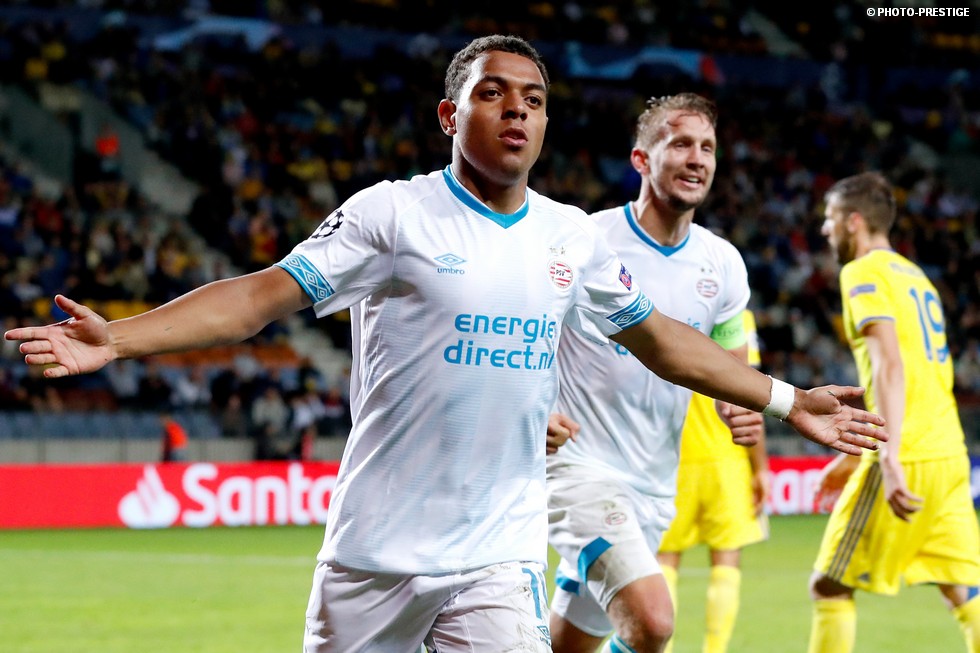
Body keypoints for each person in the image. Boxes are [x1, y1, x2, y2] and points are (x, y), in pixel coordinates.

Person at [5, 36, 885, 652]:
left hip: (497, 556)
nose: (516, 110)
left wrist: (786, 398)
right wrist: (119, 339)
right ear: (448, 114)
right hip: (373, 558)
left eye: (533, 99)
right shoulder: (393, 215)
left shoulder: (570, 237)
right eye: (493, 93)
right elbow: (258, 298)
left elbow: (663, 342)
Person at [546, 93, 769, 653]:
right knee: (652, 622)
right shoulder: (588, 241)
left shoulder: (722, 263)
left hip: (654, 484)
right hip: (577, 468)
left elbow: (731, 366)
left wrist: (740, 407)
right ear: (642, 159)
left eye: (708, 147)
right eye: (681, 144)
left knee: (571, 645)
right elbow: (528, 329)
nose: (697, 158)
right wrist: (533, 407)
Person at [807, 171, 980, 653]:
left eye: (830, 218)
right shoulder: (915, 276)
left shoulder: (862, 272)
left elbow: (889, 365)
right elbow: (915, 372)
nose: (824, 229)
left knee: (829, 586)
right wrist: (850, 456)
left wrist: (887, 455)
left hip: (908, 450)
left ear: (854, 221)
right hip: (949, 454)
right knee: (962, 589)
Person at [657, 310, 770, 653]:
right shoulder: (737, 314)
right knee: (726, 559)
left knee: (664, 560)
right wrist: (760, 467)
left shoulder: (661, 305)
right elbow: (750, 392)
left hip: (669, 455)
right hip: (726, 455)